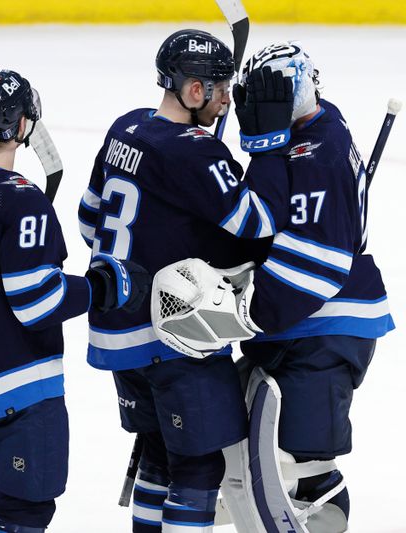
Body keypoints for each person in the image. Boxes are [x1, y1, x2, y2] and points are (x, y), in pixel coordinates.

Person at [154, 42, 394, 531]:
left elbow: (317, 263)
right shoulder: (310, 131)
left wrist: (249, 310)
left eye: (267, 95)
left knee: (309, 470)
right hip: (302, 327)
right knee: (253, 447)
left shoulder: (319, 152)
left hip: (325, 327)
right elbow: (272, 221)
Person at [0, 69, 149, 532]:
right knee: (26, 510)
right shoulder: (19, 200)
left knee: (6, 502)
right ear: (21, 127)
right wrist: (103, 286)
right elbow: (38, 302)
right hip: (15, 387)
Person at [76, 29, 289, 532]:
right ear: (194, 91)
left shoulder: (125, 128)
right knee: (197, 467)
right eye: (220, 89)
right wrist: (271, 148)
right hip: (173, 335)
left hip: (116, 330)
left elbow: (90, 223)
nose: (226, 101)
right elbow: (256, 223)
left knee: (158, 455)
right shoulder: (196, 153)